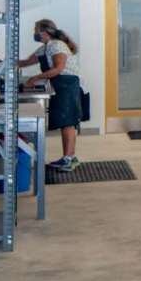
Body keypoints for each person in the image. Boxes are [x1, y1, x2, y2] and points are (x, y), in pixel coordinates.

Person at [18, 19, 83, 171]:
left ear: (44, 32)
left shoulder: (57, 45)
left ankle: (68, 159)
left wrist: (35, 78)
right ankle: (70, 157)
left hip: (67, 85)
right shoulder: (45, 47)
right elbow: (25, 62)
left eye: (36, 29)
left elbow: (59, 68)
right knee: (67, 123)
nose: (34, 33)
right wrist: (3, 62)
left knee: (67, 122)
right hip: (61, 85)